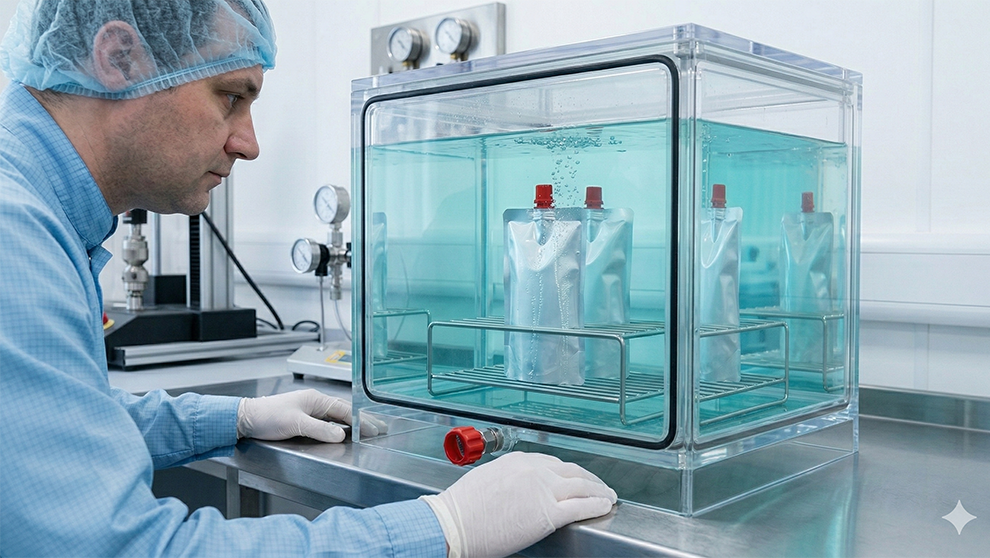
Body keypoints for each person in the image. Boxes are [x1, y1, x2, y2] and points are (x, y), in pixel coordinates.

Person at [0, 1, 617, 557]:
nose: (249, 144)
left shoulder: (38, 211)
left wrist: (235, 417)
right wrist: (444, 526)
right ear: (118, 57)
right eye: (230, 96)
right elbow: (124, 549)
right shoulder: (16, 233)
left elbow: (61, 433)